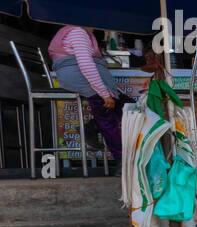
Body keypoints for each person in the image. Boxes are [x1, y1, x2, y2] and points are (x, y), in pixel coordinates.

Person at [48, 25, 135, 161]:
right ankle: (122, 161)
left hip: (80, 76)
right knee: (107, 117)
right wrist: (104, 93)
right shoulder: (78, 33)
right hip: (81, 78)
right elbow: (86, 65)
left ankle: (92, 127)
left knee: (129, 107)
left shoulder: (80, 32)